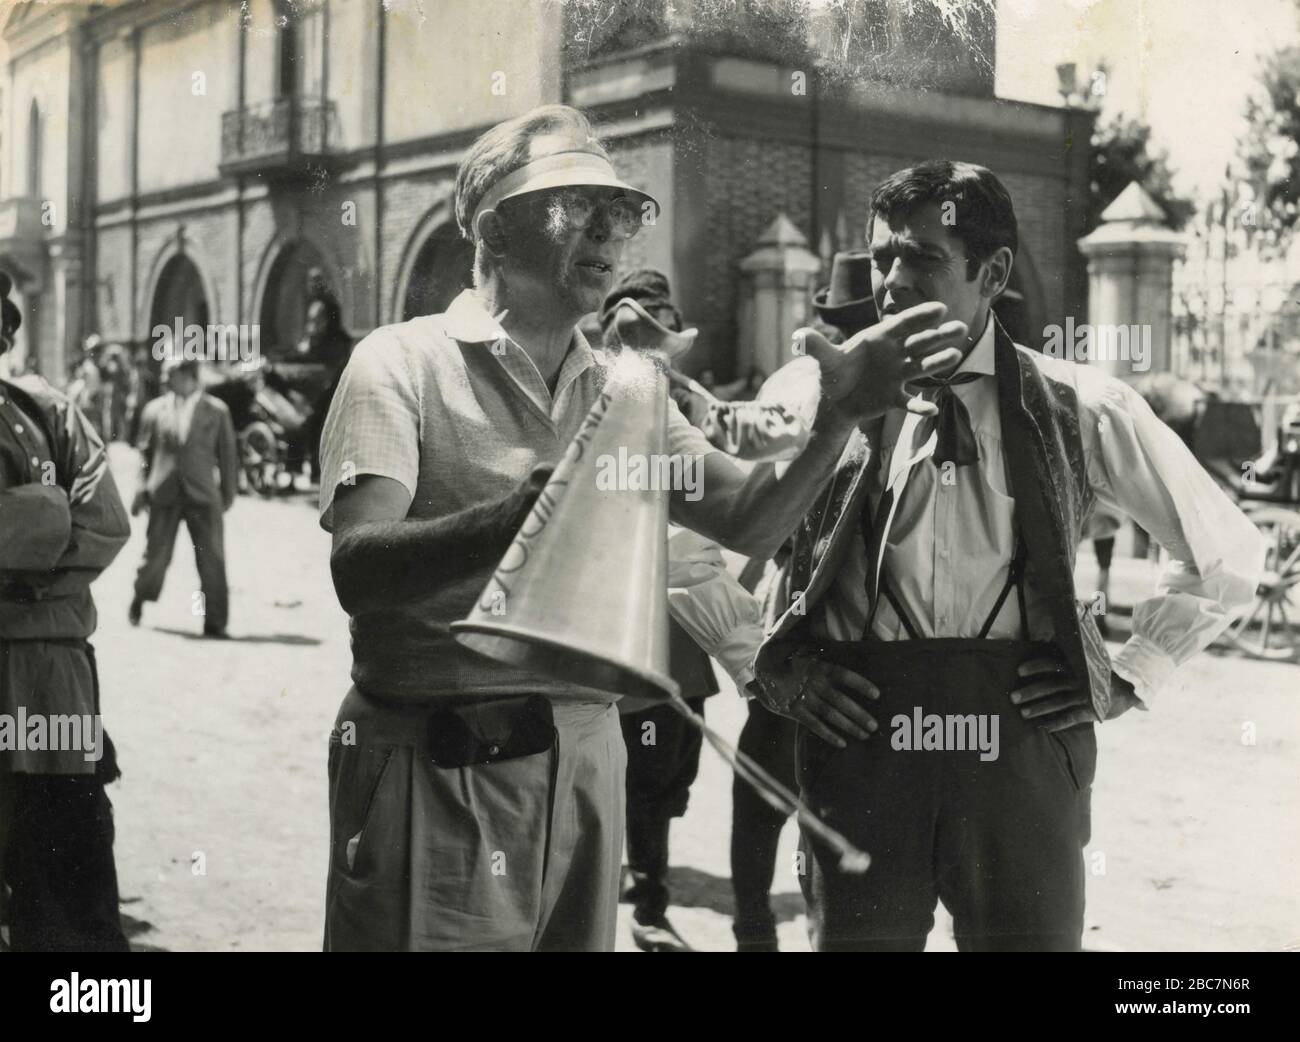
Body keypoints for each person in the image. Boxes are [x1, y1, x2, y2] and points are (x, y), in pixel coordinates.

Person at [316, 104, 967, 952]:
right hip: (436, 770)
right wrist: (513, 520)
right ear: (493, 229)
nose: (607, 234)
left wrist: (837, 418)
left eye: (620, 212)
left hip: (589, 766)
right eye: (573, 206)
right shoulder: (400, 363)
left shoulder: (629, 392)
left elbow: (751, 519)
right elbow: (357, 570)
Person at [749, 160, 1265, 952]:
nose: (889, 282)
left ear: (991, 273)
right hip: (863, 741)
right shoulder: (818, 392)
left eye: (920, 258)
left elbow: (1224, 552)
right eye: (882, 256)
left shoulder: (1081, 406)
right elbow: (729, 536)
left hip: (1019, 740)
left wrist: (1130, 675)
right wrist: (781, 668)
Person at [0, 270, 132, 951]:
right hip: (46, 663)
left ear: (6, 332)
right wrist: (34, 532)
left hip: (48, 685)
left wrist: (28, 578)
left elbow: (106, 524)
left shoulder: (48, 415)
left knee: (68, 900)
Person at [129, 356, 238, 638]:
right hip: (164, 493)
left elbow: (228, 457)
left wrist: (227, 494)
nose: (165, 379)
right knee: (155, 557)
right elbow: (145, 454)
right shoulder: (154, 410)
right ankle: (139, 599)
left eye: (171, 374)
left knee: (212, 560)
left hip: (203, 495)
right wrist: (141, 487)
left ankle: (215, 622)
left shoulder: (217, 411)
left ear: (190, 377)